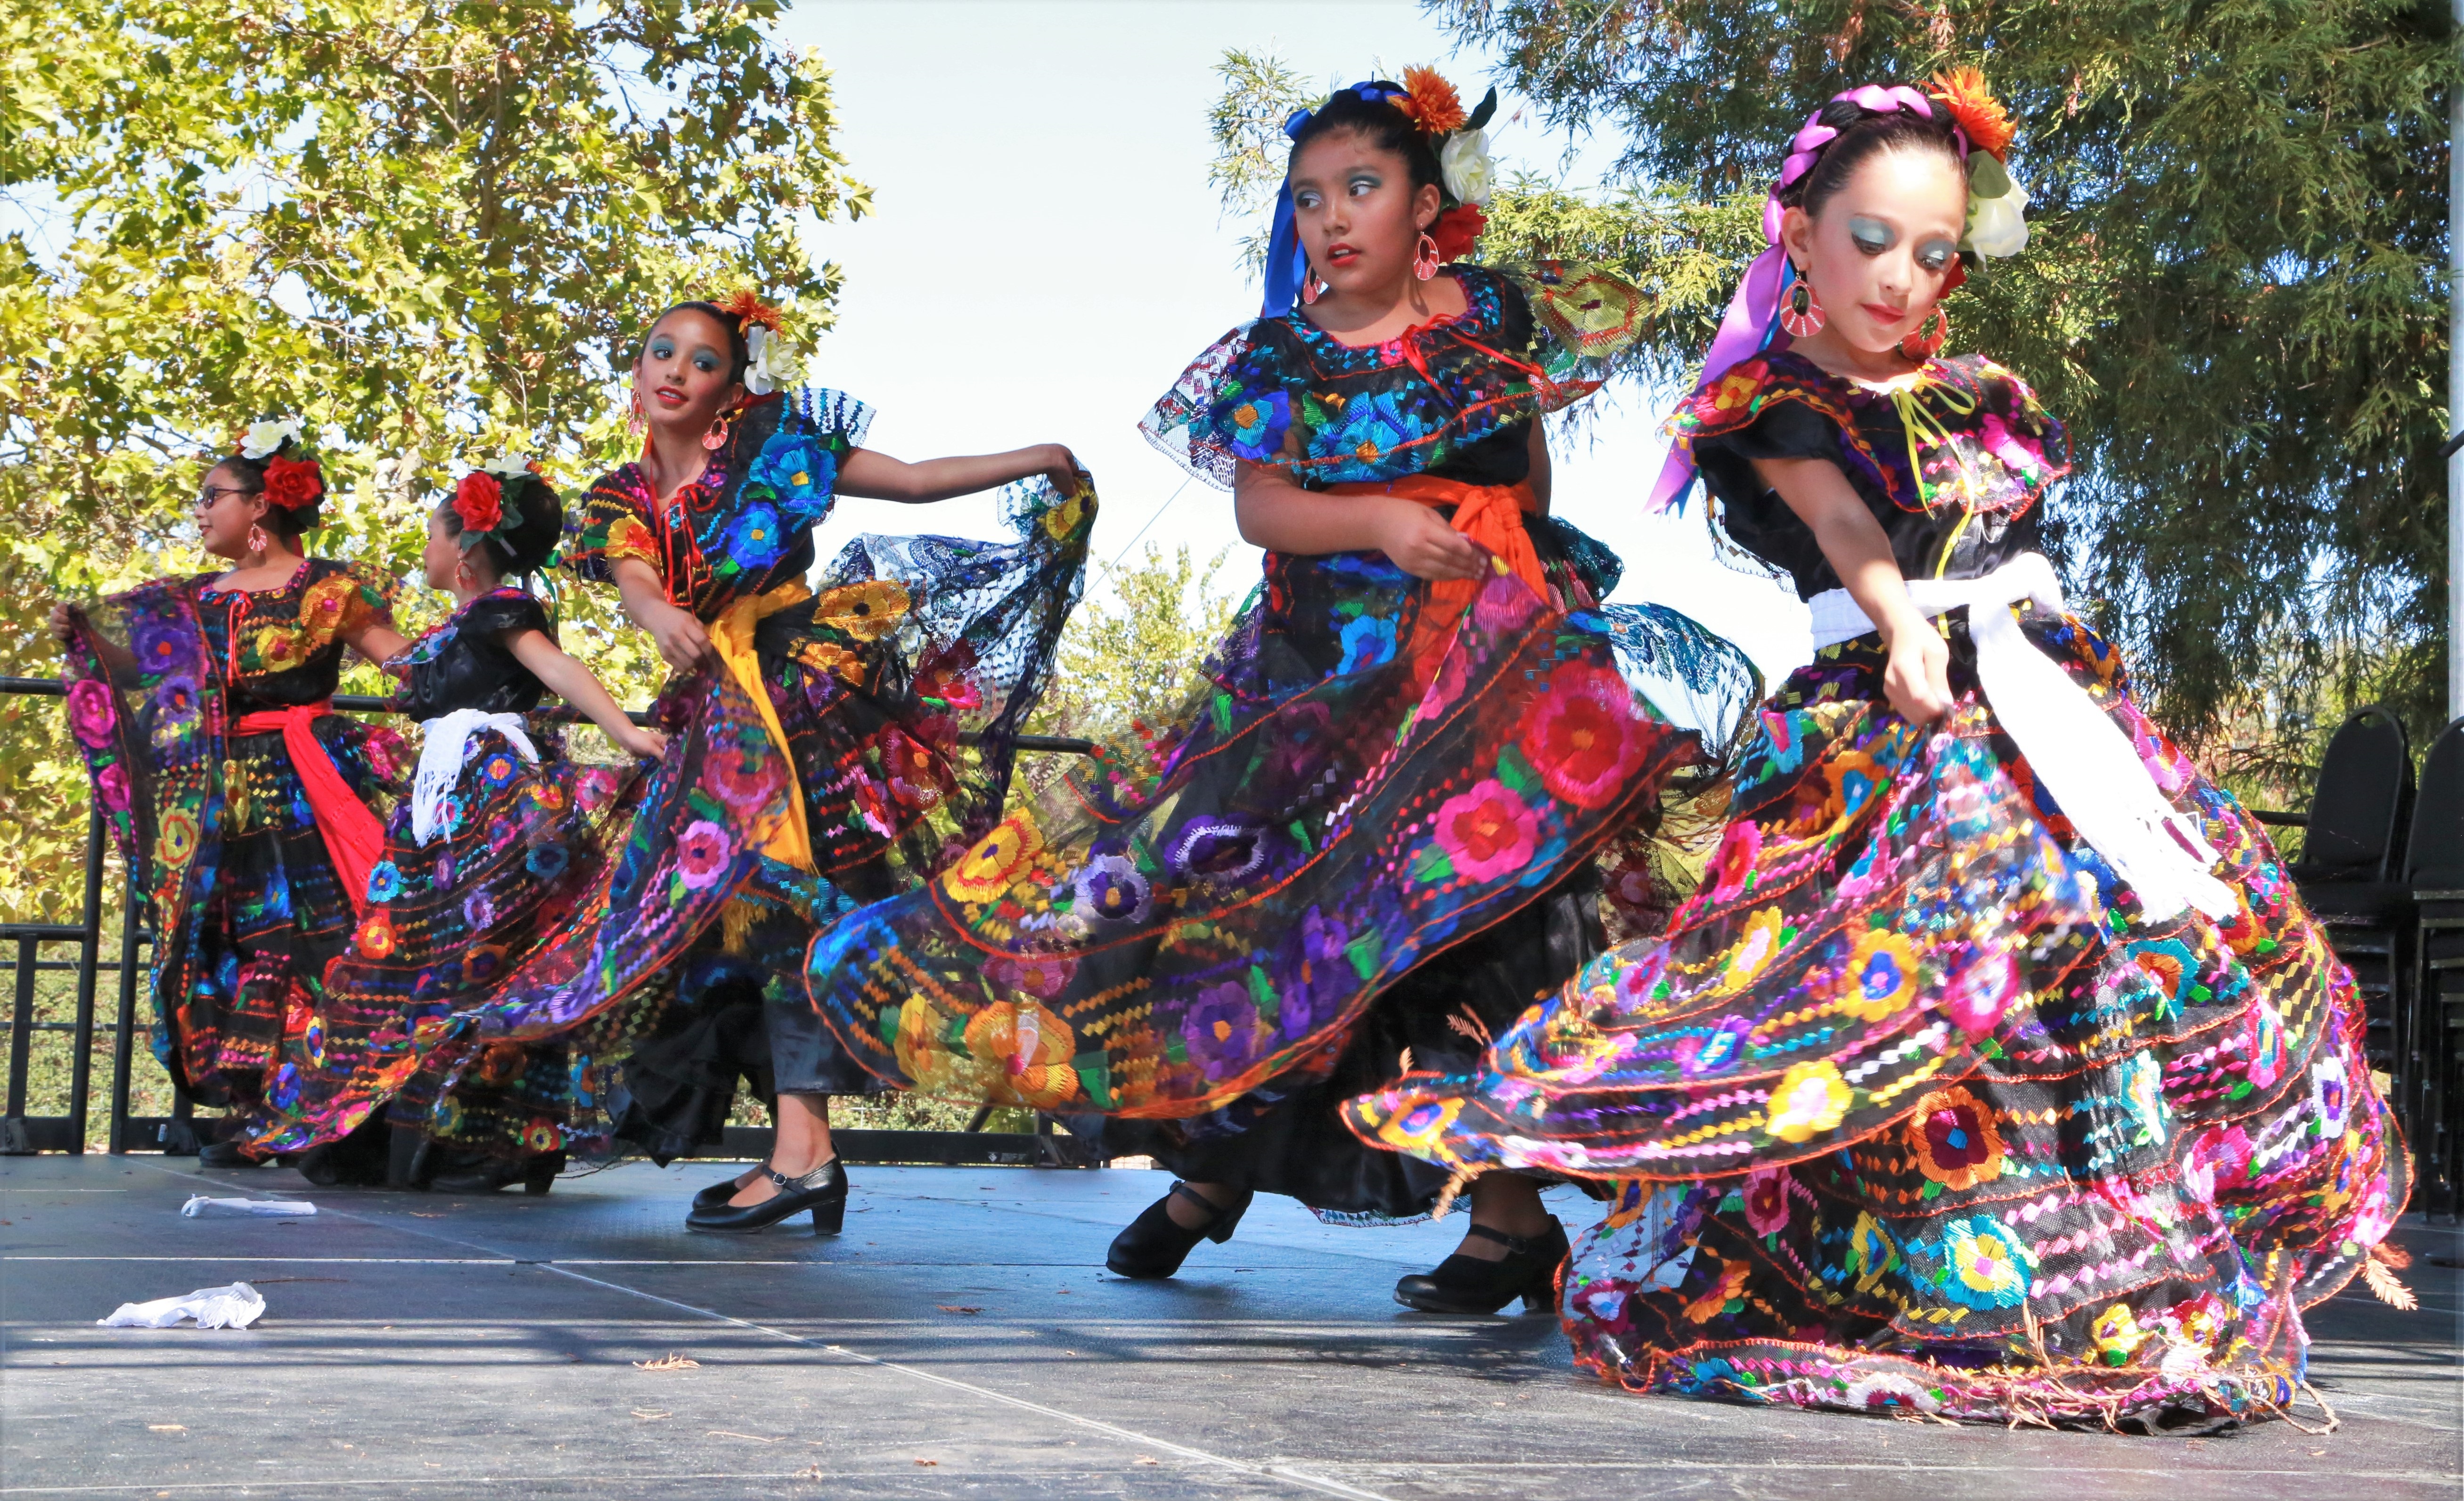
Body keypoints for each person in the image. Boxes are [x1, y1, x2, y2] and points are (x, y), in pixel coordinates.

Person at [1346, 75, 2409, 1424]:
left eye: (1930, 249)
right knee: (1899, 993)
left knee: (2089, 982)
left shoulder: (1977, 395)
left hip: (2042, 707)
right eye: (1868, 238)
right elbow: (1842, 523)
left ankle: (2112, 1294)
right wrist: (1906, 627)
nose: (1900, 277)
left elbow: (2011, 551)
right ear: (1797, 232)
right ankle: (1932, 1288)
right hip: (1887, 713)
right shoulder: (1775, 399)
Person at [805, 70, 1758, 1312]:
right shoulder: (1282, 354)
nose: (1330, 217)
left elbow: (1520, 470)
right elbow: (1263, 505)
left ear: (1429, 202)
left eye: (1360, 187)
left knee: (1475, 926)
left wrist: (1478, 539)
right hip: (1316, 678)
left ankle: (1506, 1214)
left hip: (1479, 670)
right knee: (1252, 923)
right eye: (1308, 198)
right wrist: (1376, 517)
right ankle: (1217, 1171)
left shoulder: (1489, 319)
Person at [407, 293, 1091, 1232]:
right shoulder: (621, 494)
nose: (672, 372)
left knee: (783, 920)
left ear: (731, 384)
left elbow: (918, 480)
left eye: (699, 361)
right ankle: (803, 1153)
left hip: (807, 707)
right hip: (719, 725)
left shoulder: (774, 447)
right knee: (732, 932)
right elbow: (635, 574)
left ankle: (802, 1157)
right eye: (659, 352)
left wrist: (1040, 457)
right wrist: (651, 612)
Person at [239, 459, 670, 1191]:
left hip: (488, 793)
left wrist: (627, 734)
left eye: (435, 530)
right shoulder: (463, 623)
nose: (426, 545)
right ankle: (435, 1137)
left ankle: (484, 1139)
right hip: (448, 802)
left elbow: (557, 668)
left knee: (468, 960)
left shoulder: (503, 609)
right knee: (435, 960)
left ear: (464, 549)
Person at [54, 422, 410, 1166]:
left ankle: (344, 1113)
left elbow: (410, 664)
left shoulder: (328, 588)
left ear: (261, 506)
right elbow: (138, 675)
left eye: (211, 496)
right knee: (227, 942)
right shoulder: (188, 602)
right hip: (213, 798)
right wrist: (85, 637)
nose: (200, 510)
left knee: (326, 935)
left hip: (306, 780)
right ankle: (264, 1114)